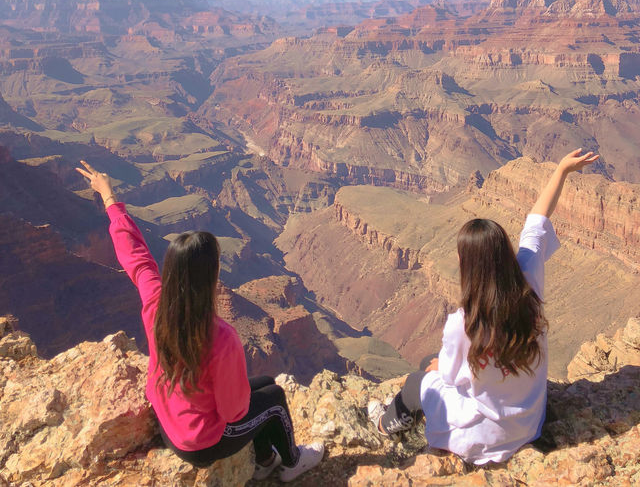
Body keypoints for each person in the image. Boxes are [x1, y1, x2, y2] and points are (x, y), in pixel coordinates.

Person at [76, 161, 324, 482]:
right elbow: (233, 413)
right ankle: (291, 462)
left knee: (264, 384)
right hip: (200, 443)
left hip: (168, 420)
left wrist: (109, 197)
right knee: (273, 401)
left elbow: (133, 253)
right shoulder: (221, 338)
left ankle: (264, 459)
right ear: (211, 277)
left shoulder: (155, 300)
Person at [368, 148, 599, 465]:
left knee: (418, 381)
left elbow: (449, 378)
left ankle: (384, 425)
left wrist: (434, 369)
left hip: (486, 433)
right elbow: (536, 222)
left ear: (469, 267)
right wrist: (561, 171)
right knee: (429, 364)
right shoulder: (528, 282)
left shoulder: (464, 323)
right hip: (530, 421)